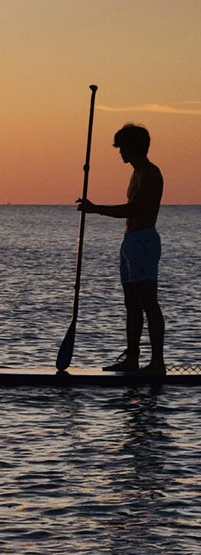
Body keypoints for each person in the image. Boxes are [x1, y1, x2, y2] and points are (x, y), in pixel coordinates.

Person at [77, 123, 165, 374]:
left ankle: (157, 362)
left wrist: (96, 209)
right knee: (131, 303)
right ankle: (132, 358)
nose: (120, 153)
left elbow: (133, 209)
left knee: (148, 302)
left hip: (144, 242)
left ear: (131, 147)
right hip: (129, 242)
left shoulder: (150, 174)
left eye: (121, 148)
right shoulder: (136, 173)